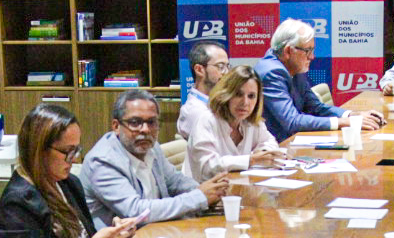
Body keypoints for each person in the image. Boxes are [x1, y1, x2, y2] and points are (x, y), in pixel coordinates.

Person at [0, 103, 141, 238]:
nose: (75, 158)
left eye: (77, 150)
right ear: (39, 151)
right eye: (68, 152)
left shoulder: (68, 183)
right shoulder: (17, 205)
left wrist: (114, 235)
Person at [84, 88, 231, 224]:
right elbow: (135, 211)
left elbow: (175, 181)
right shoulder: (102, 161)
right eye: (135, 123)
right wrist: (199, 197)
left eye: (152, 122)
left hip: (157, 233)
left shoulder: (151, 146)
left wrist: (210, 192)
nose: (145, 130)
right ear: (116, 126)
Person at [255, 19, 383, 141]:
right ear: (288, 51)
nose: (312, 57)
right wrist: (343, 123)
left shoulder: (293, 66)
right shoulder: (272, 73)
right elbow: (292, 122)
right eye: (307, 51)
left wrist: (351, 115)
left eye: (312, 50)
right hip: (275, 148)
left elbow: (314, 106)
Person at [185, 64, 282, 180]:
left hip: (237, 188)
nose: (245, 102)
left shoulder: (251, 122)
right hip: (204, 193)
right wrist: (251, 160)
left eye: (251, 96)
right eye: (238, 94)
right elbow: (207, 167)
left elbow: (269, 141)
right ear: (226, 94)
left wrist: (263, 153)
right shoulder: (206, 121)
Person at [178, 40, 230, 141]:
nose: (226, 73)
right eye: (220, 66)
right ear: (199, 70)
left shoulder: (220, 101)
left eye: (227, 66)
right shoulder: (195, 112)